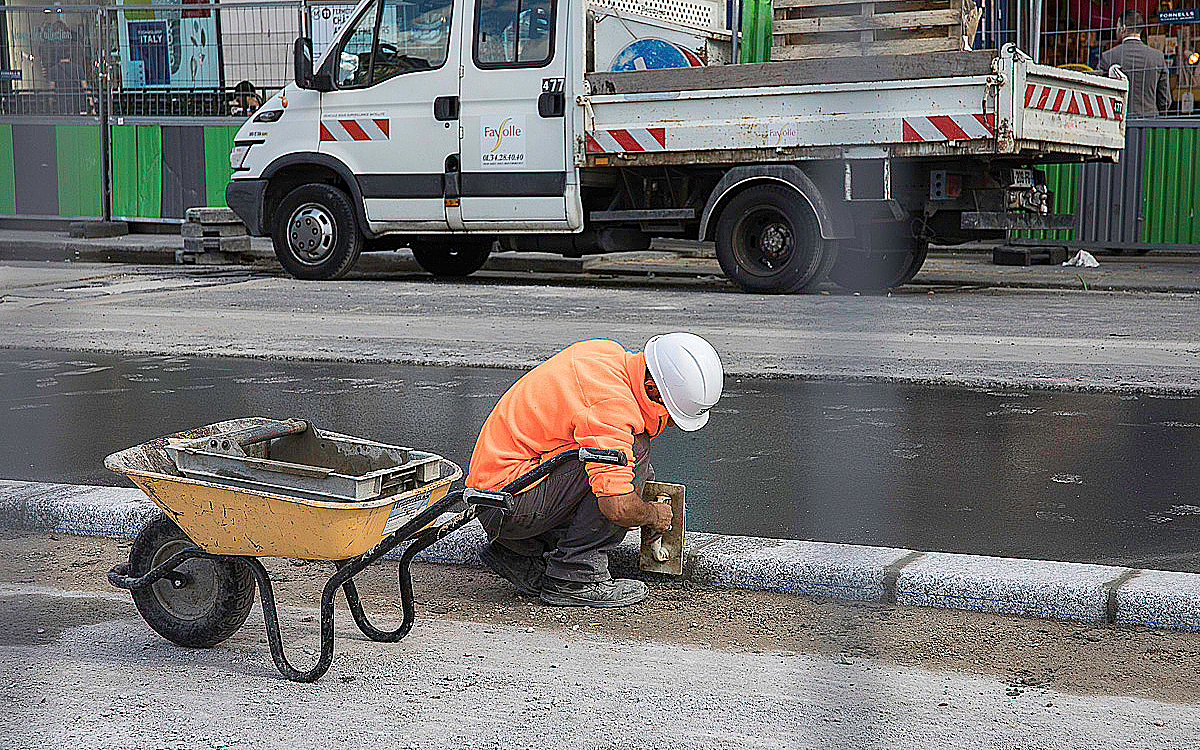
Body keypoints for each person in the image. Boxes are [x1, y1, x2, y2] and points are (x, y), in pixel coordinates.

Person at [466, 333, 723, 608]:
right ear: (651, 387)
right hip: (508, 505)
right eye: (670, 414)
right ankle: (576, 578)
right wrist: (651, 514)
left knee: (620, 466)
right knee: (629, 457)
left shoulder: (608, 355)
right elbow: (618, 506)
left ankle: (522, 553)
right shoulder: (612, 408)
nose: (670, 424)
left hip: (497, 496)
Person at [1098, 9, 1170, 118]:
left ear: (1123, 28)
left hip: (1118, 119)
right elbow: (1165, 100)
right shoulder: (1157, 57)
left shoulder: (1108, 57)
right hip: (1150, 121)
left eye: (1117, 26)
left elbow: (1099, 93)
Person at [47, 50, 92, 116]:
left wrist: (51, 103)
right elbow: (85, 87)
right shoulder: (78, 68)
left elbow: (52, 88)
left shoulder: (53, 70)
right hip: (76, 101)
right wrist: (91, 103)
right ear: (70, 57)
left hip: (61, 101)